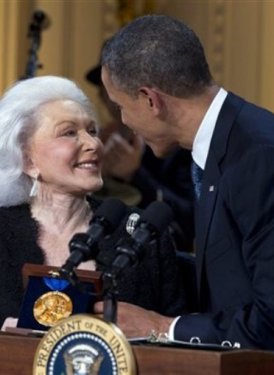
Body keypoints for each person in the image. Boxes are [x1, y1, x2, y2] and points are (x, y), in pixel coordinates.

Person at [93, 14, 274, 350]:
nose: (123, 121)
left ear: (151, 100)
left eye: (121, 106)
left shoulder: (259, 157)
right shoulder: (228, 144)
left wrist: (163, 326)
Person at [0, 75, 187, 329]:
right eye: (68, 133)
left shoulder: (141, 233)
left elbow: (177, 337)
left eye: (91, 131)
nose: (93, 144)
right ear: (27, 160)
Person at [86, 63, 195, 251]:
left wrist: (135, 174)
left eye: (123, 87)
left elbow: (189, 217)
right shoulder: (92, 142)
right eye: (108, 88)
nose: (115, 97)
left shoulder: (181, 145)